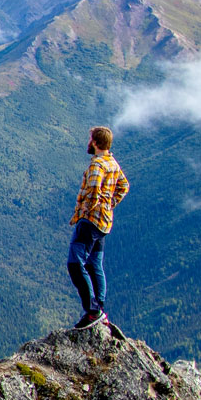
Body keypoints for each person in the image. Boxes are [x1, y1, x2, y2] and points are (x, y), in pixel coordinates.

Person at [67, 126, 129, 330]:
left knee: (76, 264)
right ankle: (99, 306)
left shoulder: (97, 166)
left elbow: (93, 188)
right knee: (95, 264)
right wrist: (109, 204)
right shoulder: (112, 163)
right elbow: (123, 186)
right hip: (104, 222)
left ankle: (92, 311)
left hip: (90, 221)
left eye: (89, 138)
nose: (88, 142)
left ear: (95, 142)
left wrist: (88, 209)